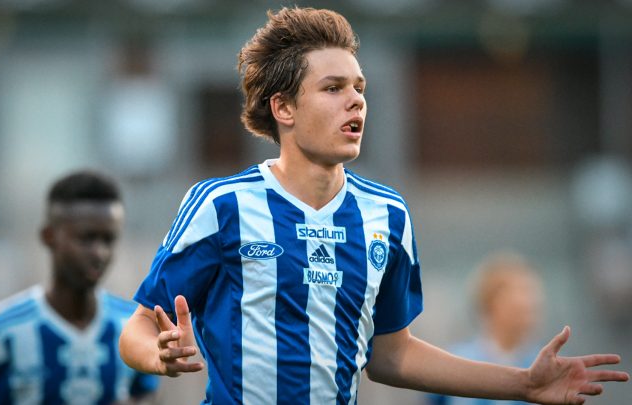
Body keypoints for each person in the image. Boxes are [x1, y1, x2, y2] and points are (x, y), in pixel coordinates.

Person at [118, 6, 629, 404]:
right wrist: (158, 356)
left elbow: (393, 355)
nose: (357, 101)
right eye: (334, 88)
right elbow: (136, 328)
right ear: (284, 108)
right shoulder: (222, 204)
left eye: (360, 88)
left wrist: (523, 384)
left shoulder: (387, 214)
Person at [0, 170, 159, 404]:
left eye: (108, 240)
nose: (99, 252)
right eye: (86, 239)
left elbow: (147, 394)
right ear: (49, 236)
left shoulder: (131, 324)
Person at [428, 251, 546, 405]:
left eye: (532, 293)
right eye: (521, 292)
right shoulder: (456, 363)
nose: (530, 301)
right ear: (490, 302)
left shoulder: (546, 367)